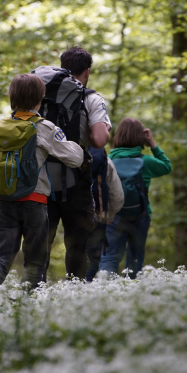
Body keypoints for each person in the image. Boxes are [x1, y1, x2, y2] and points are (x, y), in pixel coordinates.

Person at [0, 74, 84, 297]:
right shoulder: (44, 127)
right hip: (35, 201)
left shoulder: (0, 128)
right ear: (40, 101)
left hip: (3, 201)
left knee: (0, 257)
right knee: (35, 260)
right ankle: (28, 303)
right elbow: (75, 159)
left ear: (12, 98)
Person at [31, 47, 112, 279]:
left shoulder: (39, 94)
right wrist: (105, 127)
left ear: (62, 66)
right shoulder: (91, 98)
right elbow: (98, 140)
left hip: (41, 179)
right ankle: (75, 289)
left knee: (41, 242)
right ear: (87, 71)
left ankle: (34, 289)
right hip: (75, 179)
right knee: (78, 244)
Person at [99, 118, 172, 278]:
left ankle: (103, 287)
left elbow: (100, 189)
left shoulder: (108, 162)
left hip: (114, 217)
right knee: (135, 258)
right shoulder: (146, 161)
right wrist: (152, 144)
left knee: (110, 256)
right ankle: (132, 289)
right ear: (141, 137)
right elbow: (167, 166)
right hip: (140, 215)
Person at [84, 146, 125, 281]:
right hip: (97, 216)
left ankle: (74, 287)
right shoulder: (104, 160)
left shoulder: (65, 152)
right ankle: (85, 285)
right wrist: (109, 214)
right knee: (94, 256)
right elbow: (117, 195)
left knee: (75, 253)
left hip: (71, 217)